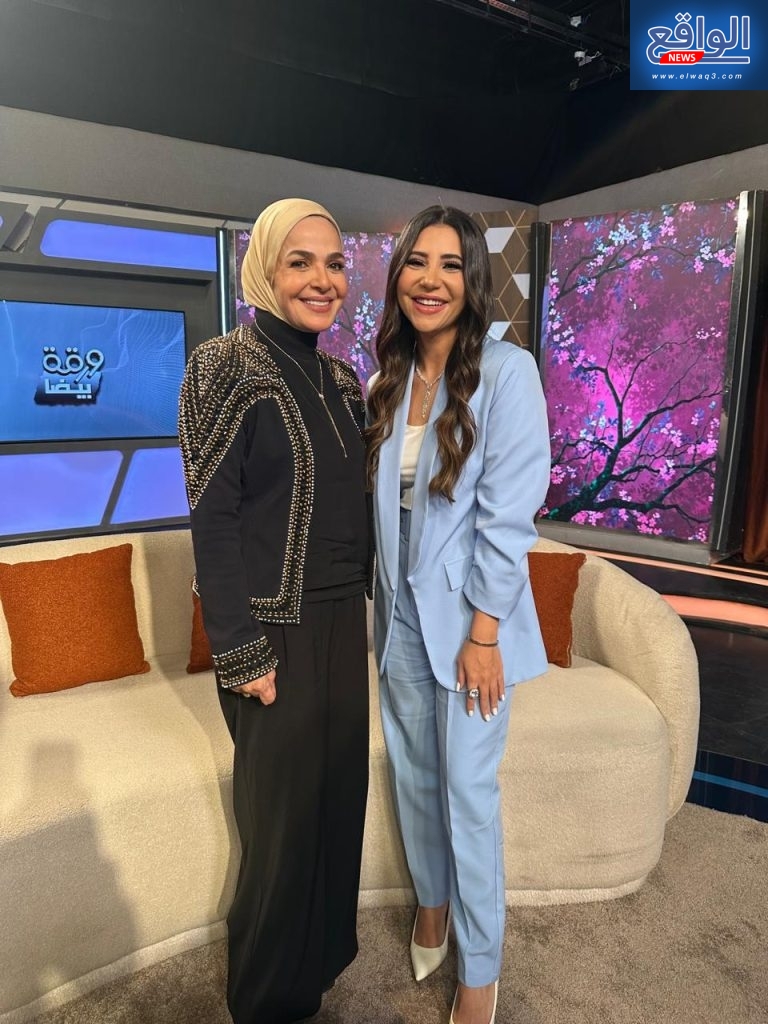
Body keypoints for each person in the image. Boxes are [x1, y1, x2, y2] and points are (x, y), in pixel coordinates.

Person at [178, 198, 370, 1024]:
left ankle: (312, 978)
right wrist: (239, 650)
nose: (322, 280)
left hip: (343, 620)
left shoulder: (344, 380)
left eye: (334, 263)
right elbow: (212, 519)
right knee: (282, 829)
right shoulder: (223, 365)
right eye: (300, 262)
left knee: (336, 808)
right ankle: (262, 999)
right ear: (263, 268)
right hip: (272, 633)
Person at [366, 205, 551, 1024]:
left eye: (449, 264)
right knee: (413, 772)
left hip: (472, 615)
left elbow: (508, 519)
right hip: (398, 608)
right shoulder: (388, 378)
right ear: (398, 276)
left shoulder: (509, 373)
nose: (430, 279)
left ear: (472, 280)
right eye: (416, 262)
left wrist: (485, 634)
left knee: (467, 789)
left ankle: (481, 968)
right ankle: (432, 903)